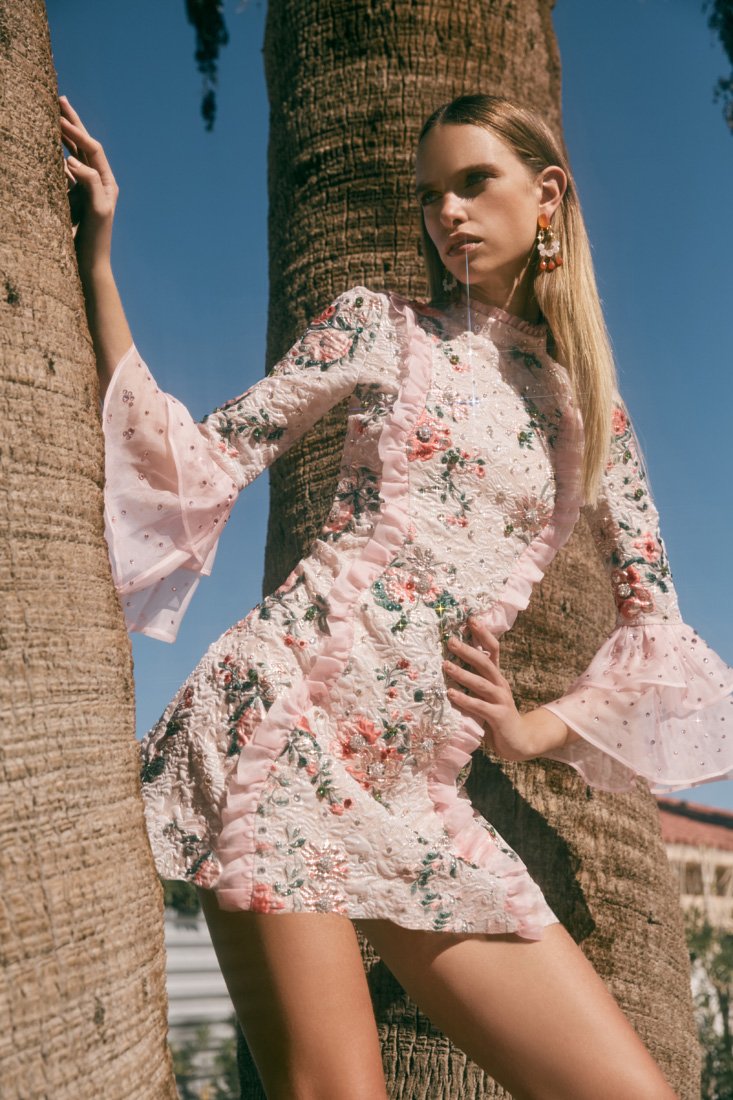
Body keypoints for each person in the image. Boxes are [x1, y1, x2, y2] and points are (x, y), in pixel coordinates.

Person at [59, 89, 732, 1100]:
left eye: (474, 182)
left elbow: (656, 628)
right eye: (429, 195)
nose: (447, 212)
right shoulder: (377, 325)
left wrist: (528, 730)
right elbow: (198, 460)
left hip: (419, 791)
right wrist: (99, 260)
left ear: (547, 194)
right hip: (280, 726)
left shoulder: (588, 411)